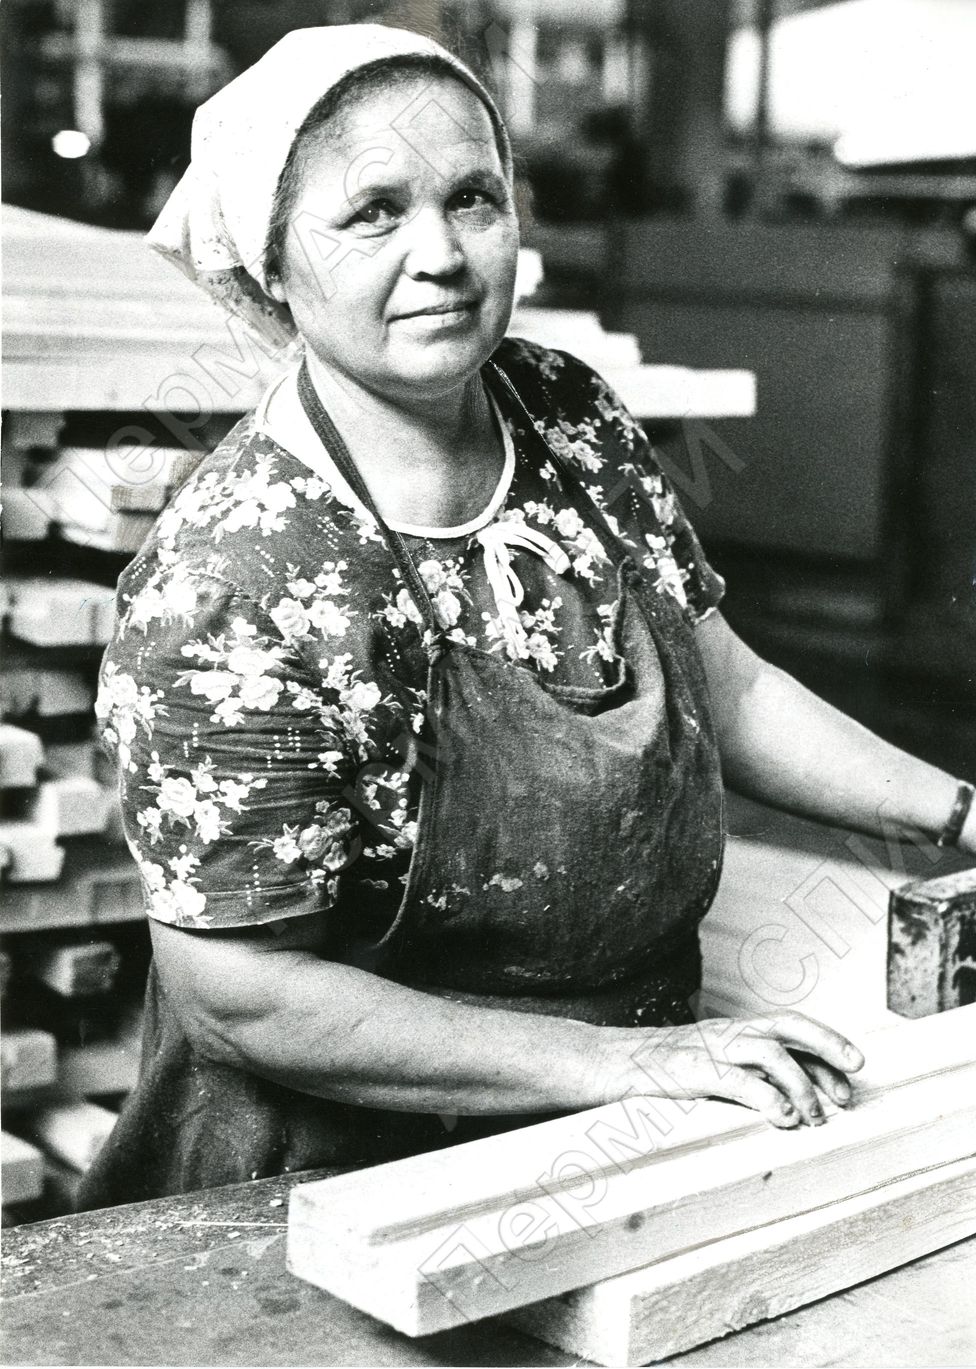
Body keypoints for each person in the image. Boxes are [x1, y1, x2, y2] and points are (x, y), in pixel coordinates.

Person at [79, 24, 976, 1207]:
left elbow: (727, 685)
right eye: (373, 213)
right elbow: (240, 995)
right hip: (337, 1178)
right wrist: (620, 1065)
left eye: (472, 198)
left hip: (628, 1107)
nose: (442, 254)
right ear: (272, 263)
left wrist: (959, 812)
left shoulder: (564, 414)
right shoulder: (234, 582)